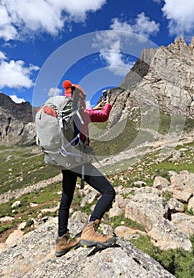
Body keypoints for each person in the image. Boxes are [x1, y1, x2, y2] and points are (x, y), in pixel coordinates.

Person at [55, 80, 116, 257]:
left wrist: (95, 107)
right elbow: (103, 116)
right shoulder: (83, 113)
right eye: (83, 98)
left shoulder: (61, 113)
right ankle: (90, 230)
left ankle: (61, 241)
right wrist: (108, 104)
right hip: (79, 161)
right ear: (78, 98)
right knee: (108, 192)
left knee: (65, 200)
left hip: (65, 161)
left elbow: (87, 114)